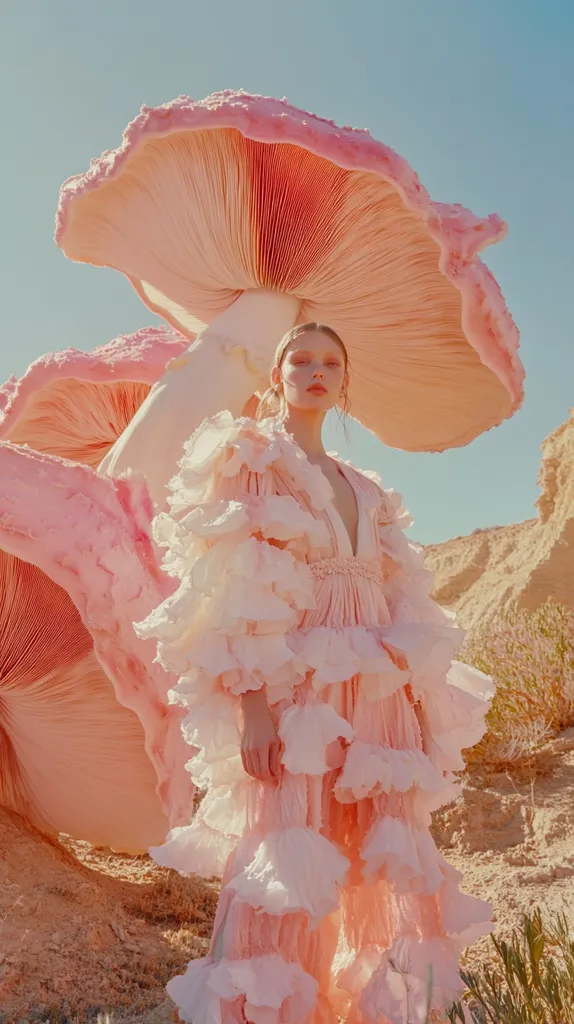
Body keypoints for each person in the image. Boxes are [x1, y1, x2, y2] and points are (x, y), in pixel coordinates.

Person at [136, 323, 494, 1024]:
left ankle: (380, 1006)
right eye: (300, 360)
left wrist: (414, 699)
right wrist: (253, 707)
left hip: (377, 691)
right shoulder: (255, 459)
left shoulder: (366, 486)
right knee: (289, 843)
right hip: (300, 685)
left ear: (344, 380)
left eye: (331, 361)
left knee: (375, 844)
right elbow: (241, 585)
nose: (316, 371)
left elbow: (397, 597)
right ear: (277, 375)